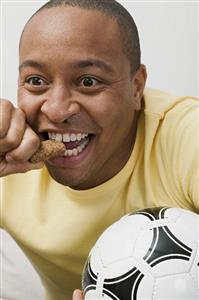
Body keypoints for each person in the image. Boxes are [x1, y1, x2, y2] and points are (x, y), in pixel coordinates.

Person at [0, 0, 198, 299]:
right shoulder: (9, 155)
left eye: (89, 81)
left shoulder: (186, 138)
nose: (56, 110)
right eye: (36, 81)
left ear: (136, 87)